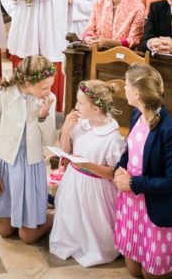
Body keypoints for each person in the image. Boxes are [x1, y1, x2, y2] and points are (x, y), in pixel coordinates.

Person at [112, 64, 172, 279]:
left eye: (126, 85)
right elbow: (130, 150)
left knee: (151, 276)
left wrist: (133, 183)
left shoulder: (171, 132)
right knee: (135, 271)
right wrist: (120, 169)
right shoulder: (137, 115)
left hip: (156, 206)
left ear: (137, 93)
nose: (123, 88)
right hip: (133, 205)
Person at [0, 55, 57, 243]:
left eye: (50, 86)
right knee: (4, 231)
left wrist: (44, 117)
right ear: (28, 83)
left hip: (31, 168)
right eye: (44, 87)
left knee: (27, 236)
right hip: (5, 168)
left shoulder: (47, 100)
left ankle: (55, 215)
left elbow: (50, 141)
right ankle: (30, 209)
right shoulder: (2, 94)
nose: (49, 91)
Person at [49, 80, 126, 266]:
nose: (75, 107)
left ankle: (94, 247)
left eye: (81, 103)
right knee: (71, 218)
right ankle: (71, 241)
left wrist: (88, 166)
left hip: (96, 189)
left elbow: (111, 173)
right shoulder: (80, 124)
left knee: (94, 225)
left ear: (97, 108)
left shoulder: (112, 137)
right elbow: (66, 152)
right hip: (73, 182)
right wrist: (66, 130)